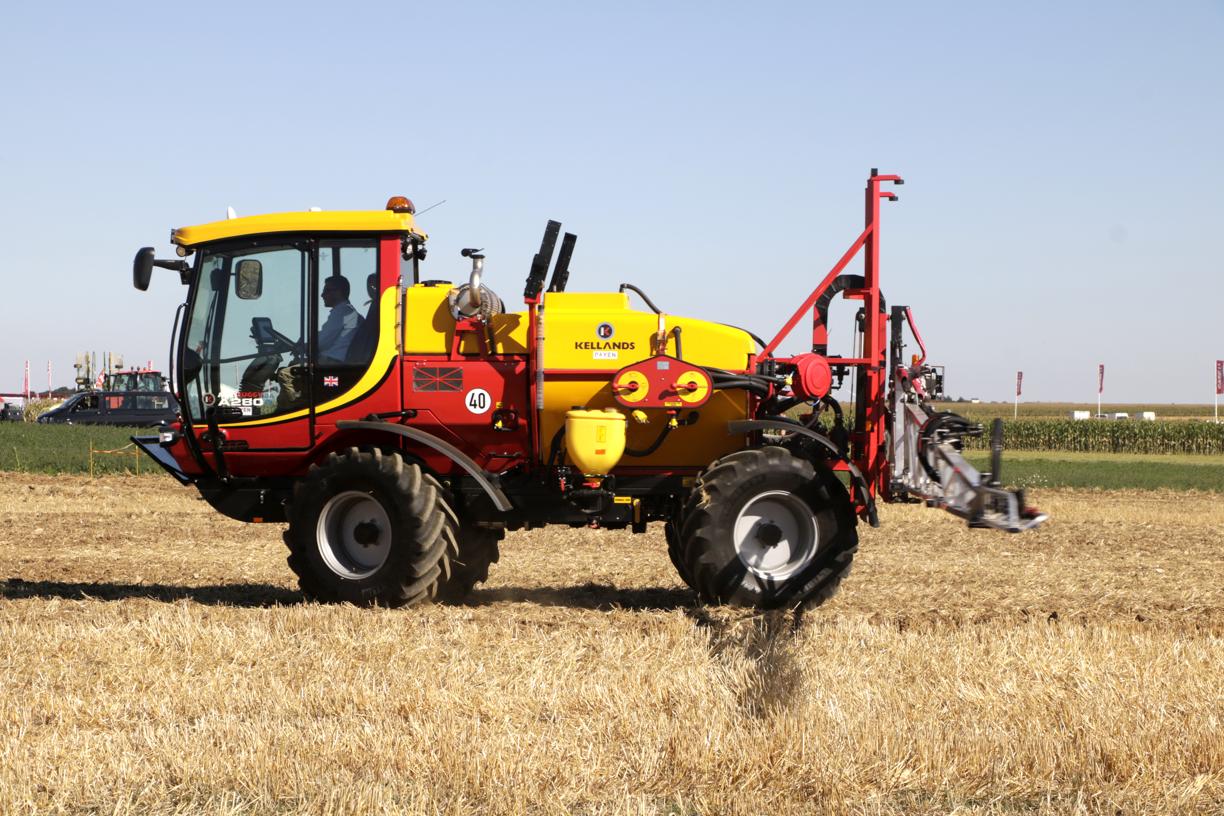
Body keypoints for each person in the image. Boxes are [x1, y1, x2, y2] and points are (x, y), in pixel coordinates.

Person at [319, 275, 363, 364]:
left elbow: (322, 342)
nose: (322, 295)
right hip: (338, 361)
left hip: (333, 362)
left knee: (284, 373)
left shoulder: (342, 312)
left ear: (338, 292)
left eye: (326, 291)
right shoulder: (349, 312)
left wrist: (305, 346)